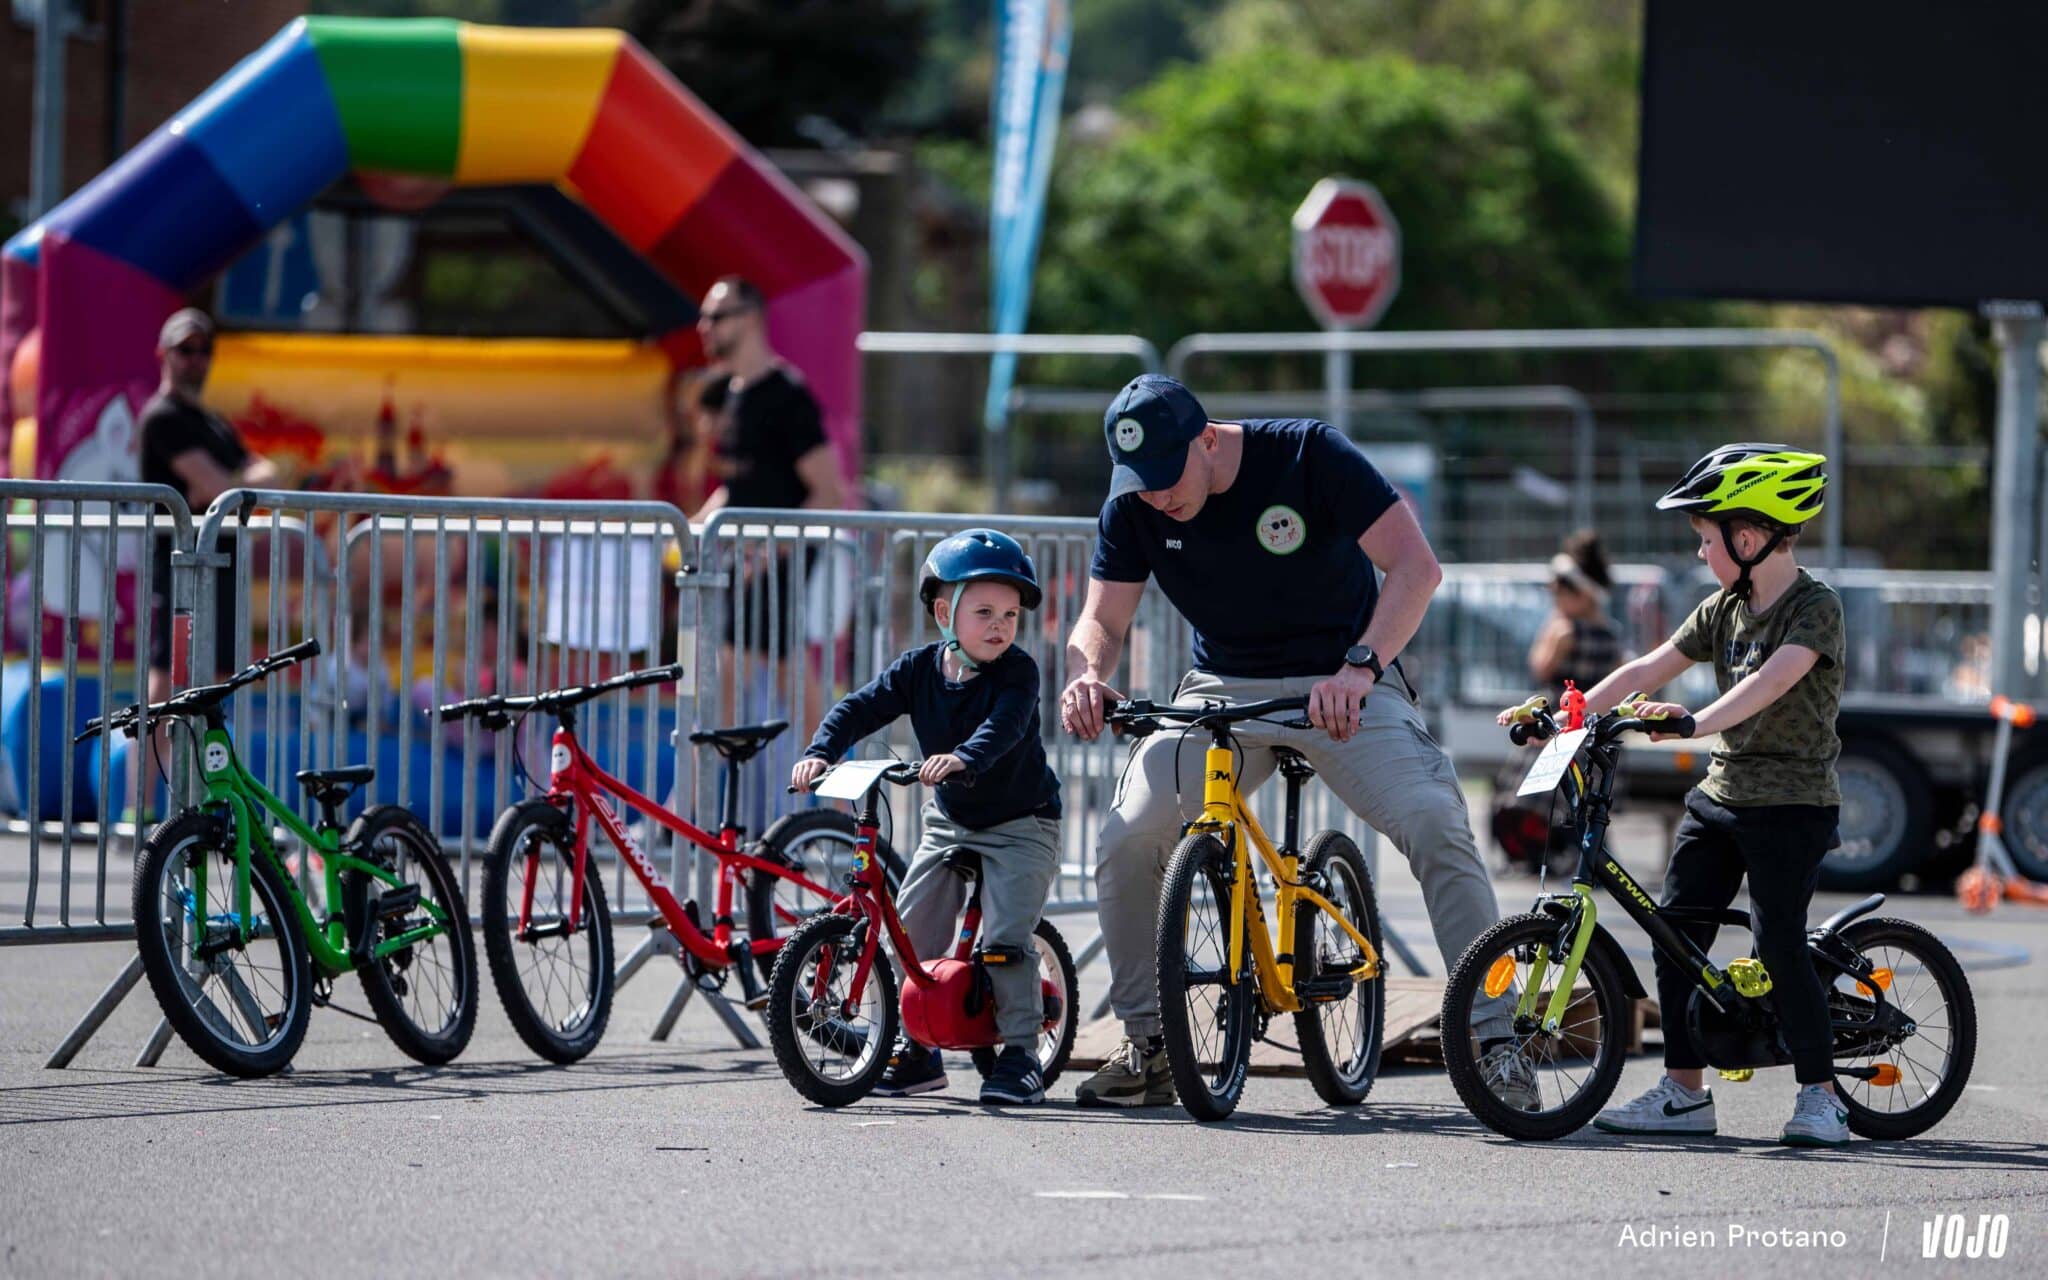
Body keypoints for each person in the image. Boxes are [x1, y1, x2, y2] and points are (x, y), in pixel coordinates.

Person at [1059, 374, 1526, 1109]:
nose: (1155, 497)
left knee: (1436, 821)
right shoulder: (1133, 504)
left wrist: (1361, 667)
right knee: (1125, 836)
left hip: (1342, 683)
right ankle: (1147, 1045)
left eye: (1165, 478)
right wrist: (1086, 673)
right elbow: (1103, 621)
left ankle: (1498, 1039)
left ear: (1207, 439)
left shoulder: (1309, 455)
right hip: (1225, 689)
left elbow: (1416, 569)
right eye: (1137, 483)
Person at [1502, 444, 1847, 1148]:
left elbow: (1771, 683)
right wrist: (1566, 715)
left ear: (1747, 539)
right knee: (1672, 933)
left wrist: (1694, 721)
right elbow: (1649, 666)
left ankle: (1823, 1096)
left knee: (1778, 940)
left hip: (1793, 802)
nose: (1701, 555)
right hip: (1722, 797)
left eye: (1705, 540)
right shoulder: (1723, 607)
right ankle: (1685, 1092)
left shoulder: (1815, 608)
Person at [792, 529, 1062, 1106]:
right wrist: (821, 750)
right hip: (953, 821)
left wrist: (965, 756)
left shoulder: (1018, 673)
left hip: (1023, 822)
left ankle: (1019, 1055)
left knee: (1007, 939)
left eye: (1010, 615)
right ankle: (918, 1052)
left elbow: (1004, 727)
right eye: (984, 611)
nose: (1000, 625)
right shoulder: (917, 670)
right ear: (944, 613)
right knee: (911, 935)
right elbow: (859, 707)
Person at [693, 276, 846, 730]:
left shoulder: (788, 395)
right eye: (703, 317)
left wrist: (770, 552)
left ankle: (834, 795)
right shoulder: (736, 392)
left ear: (752, 319)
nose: (705, 327)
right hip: (749, 564)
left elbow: (828, 492)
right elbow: (741, 484)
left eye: (717, 317)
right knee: (742, 682)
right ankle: (691, 797)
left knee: (776, 683)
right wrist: (689, 525)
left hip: (778, 564)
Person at [137, 309, 277, 809]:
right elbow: (218, 486)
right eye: (185, 349)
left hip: (219, 568)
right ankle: (142, 807)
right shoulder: (163, 417)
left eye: (203, 350)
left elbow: (257, 473)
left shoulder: (211, 421)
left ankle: (196, 802)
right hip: (180, 568)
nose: (195, 360)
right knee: (166, 684)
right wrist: (242, 482)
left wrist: (242, 482)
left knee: (212, 686)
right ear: (164, 354)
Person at [1491, 530, 1627, 872]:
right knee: (1587, 794)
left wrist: (1551, 627)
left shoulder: (1564, 631)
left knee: (1541, 792)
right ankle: (1591, 856)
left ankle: (1539, 853)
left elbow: (1540, 666)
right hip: (1592, 722)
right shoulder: (1612, 634)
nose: (1554, 594)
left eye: (1561, 588)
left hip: (1558, 720)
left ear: (1580, 593)